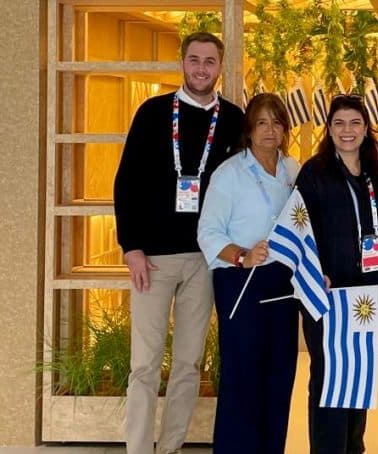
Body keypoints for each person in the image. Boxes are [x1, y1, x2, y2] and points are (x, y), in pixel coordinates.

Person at [113, 31, 243, 454]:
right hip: (152, 259)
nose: (201, 69)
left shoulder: (233, 119)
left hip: (204, 259)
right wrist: (131, 247)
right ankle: (138, 449)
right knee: (144, 365)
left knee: (188, 364)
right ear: (182, 63)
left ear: (219, 66)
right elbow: (126, 182)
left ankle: (169, 448)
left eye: (210, 61)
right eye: (194, 60)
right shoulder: (153, 113)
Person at [197, 93, 300, 453]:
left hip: (282, 286)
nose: (270, 130)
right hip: (240, 282)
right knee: (243, 380)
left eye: (276, 122)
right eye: (261, 123)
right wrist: (242, 256)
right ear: (249, 129)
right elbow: (208, 232)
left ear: (285, 128)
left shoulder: (293, 170)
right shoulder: (229, 174)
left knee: (279, 377)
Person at [294, 94, 378, 454]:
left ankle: (354, 447)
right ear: (329, 129)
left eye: (354, 122)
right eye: (339, 123)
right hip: (326, 292)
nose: (347, 130)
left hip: (365, 292)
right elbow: (299, 228)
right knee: (327, 374)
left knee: (358, 372)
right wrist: (313, 272)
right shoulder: (314, 172)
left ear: (366, 128)